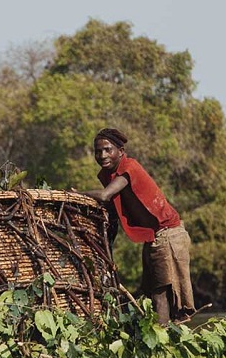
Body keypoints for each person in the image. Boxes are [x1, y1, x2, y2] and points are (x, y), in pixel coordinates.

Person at [81, 128, 194, 324]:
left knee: (162, 293)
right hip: (153, 236)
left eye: (108, 150)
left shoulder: (129, 167)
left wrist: (73, 194)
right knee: (150, 291)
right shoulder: (108, 174)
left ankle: (162, 341)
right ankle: (160, 335)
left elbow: (105, 195)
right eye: (98, 151)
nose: (102, 156)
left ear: (121, 151)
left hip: (168, 234)